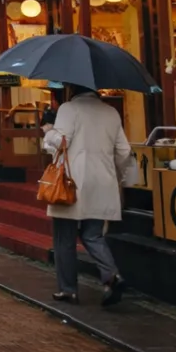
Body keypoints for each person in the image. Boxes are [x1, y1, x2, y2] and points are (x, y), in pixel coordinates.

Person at [42, 83, 135, 307]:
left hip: (71, 182)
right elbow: (124, 152)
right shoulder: (111, 112)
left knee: (65, 238)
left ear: (72, 87)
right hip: (102, 181)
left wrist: (48, 131)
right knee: (93, 234)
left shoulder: (68, 109)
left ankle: (68, 290)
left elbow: (61, 141)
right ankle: (112, 275)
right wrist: (120, 178)